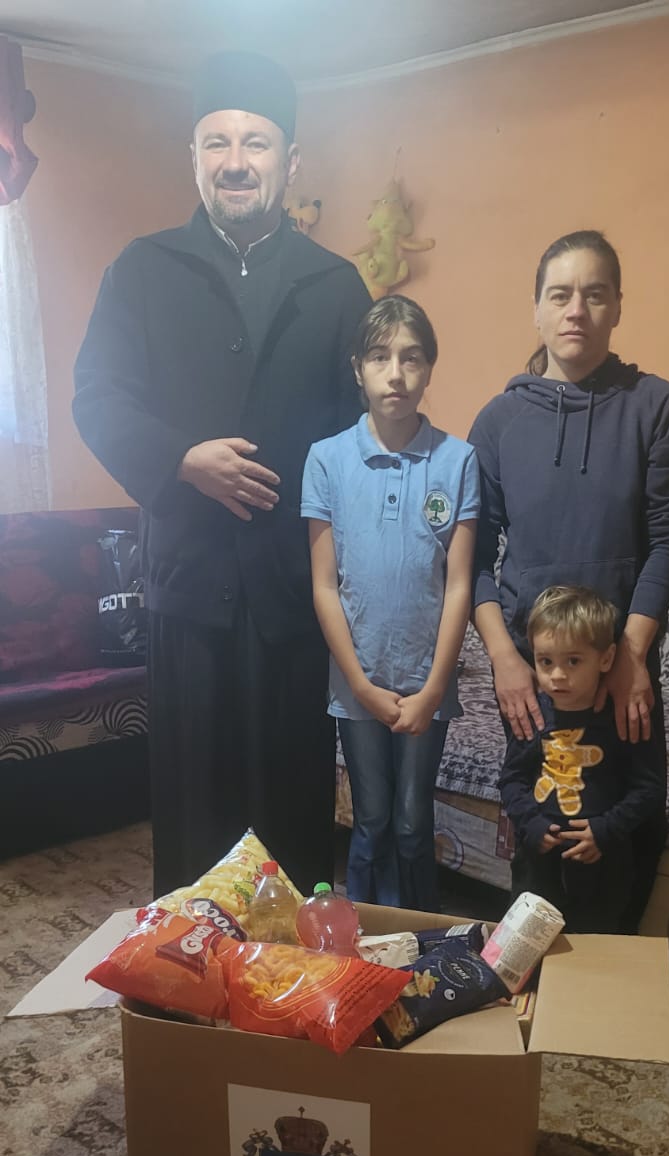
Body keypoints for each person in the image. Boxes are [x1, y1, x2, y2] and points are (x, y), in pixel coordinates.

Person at [73, 51, 370, 897]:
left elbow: (364, 434)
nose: (235, 161)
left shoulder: (336, 285)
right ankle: (189, 972)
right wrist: (179, 459)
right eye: (216, 143)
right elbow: (97, 396)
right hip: (189, 590)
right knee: (194, 815)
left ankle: (291, 974)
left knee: (291, 815)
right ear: (194, 157)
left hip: (293, 597)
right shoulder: (142, 269)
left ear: (290, 162)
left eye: (255, 143)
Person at [469, 229, 669, 929]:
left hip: (619, 667)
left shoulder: (657, 405)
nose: (576, 310)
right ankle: (534, 976)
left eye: (595, 294)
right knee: (538, 838)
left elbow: (668, 538)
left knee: (627, 832)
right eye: (560, 294)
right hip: (534, 676)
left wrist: (630, 655)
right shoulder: (498, 421)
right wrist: (504, 660)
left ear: (618, 306)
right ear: (536, 308)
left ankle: (614, 980)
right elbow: (473, 558)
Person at [302, 296, 478, 911]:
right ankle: (356, 940)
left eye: (411, 358)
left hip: (428, 682)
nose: (395, 374)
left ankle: (422, 938)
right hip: (358, 683)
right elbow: (325, 585)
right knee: (372, 819)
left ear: (429, 368)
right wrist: (359, 682)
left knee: (410, 822)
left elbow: (459, 585)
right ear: (358, 368)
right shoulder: (326, 459)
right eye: (379, 357)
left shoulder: (458, 461)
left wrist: (433, 689)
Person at [500, 586, 665, 933]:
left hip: (603, 863)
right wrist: (531, 824)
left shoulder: (621, 717)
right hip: (537, 862)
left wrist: (606, 830)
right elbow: (511, 779)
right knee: (527, 946)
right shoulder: (533, 717)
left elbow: (648, 788)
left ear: (605, 659)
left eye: (573, 661)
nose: (557, 675)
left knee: (594, 948)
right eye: (546, 661)